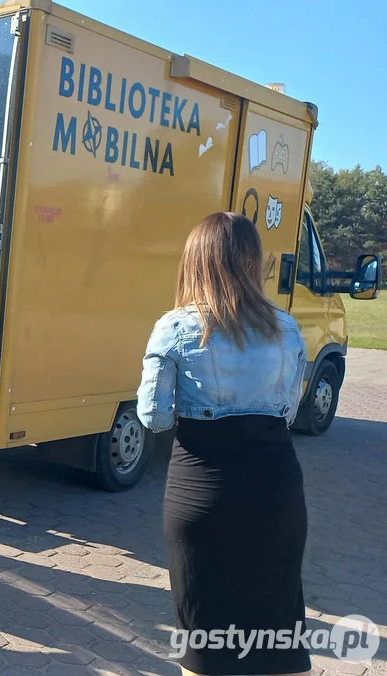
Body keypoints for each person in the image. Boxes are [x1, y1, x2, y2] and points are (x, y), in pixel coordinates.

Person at [137, 212, 310, 676]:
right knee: (278, 621)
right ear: (253, 263)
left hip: (202, 488)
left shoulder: (174, 327)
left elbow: (152, 418)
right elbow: (288, 413)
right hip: (275, 487)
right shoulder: (286, 327)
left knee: (202, 629)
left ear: (194, 263)